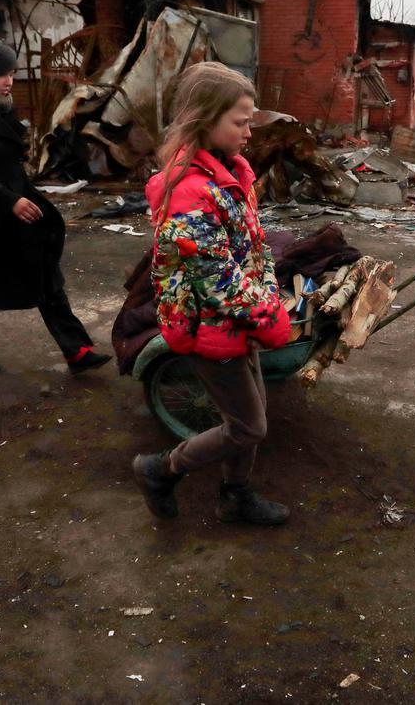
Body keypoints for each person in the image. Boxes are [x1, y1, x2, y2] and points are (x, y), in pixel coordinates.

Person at [131, 61, 293, 525]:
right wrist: (270, 315)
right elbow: (217, 280)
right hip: (209, 327)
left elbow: (253, 249)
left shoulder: (231, 176)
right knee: (249, 425)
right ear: (206, 119)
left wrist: (266, 294)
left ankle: (235, 496)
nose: (248, 133)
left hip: (239, 321)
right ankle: (160, 470)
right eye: (240, 122)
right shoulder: (188, 192)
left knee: (251, 419)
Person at [0, 35, 110, 377]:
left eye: (11, 72)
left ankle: (77, 350)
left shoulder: (4, 105)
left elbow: (10, 160)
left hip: (16, 201)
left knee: (43, 268)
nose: (9, 80)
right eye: (1, 74)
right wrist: (8, 200)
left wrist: (22, 194)